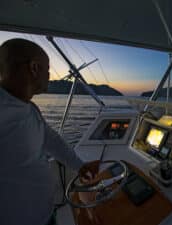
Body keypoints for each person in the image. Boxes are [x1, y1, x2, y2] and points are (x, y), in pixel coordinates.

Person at [0, 38, 99, 225]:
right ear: (34, 68)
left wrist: (80, 166)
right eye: (47, 69)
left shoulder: (30, 109)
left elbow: (51, 140)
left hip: (44, 214)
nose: (50, 75)